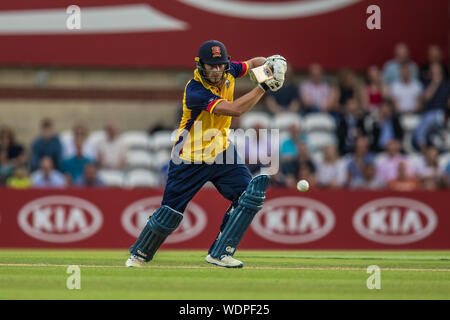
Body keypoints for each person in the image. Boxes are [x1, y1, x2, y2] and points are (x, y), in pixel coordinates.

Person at [125, 40, 287, 268]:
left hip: (221, 151)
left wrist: (271, 64)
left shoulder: (229, 69)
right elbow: (235, 109)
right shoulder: (195, 90)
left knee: (248, 196)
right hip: (189, 157)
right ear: (201, 65)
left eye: (220, 65)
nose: (216, 70)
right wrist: (264, 86)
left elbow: (253, 63)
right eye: (211, 66)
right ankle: (139, 254)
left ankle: (220, 253)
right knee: (170, 213)